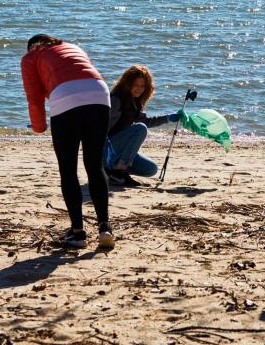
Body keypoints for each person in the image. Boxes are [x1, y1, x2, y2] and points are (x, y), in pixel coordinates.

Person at [21, 34, 115, 249]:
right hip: (99, 93)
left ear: (32, 47)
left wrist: (39, 127)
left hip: (65, 98)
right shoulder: (73, 47)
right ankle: (104, 228)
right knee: (94, 165)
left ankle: (78, 233)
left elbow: (34, 96)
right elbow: (80, 72)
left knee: (68, 169)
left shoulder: (31, 57)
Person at [107, 64, 180, 187]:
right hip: (106, 148)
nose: (139, 89)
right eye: (136, 85)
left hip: (119, 151)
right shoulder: (116, 99)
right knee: (140, 129)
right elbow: (101, 127)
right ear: (128, 83)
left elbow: (146, 121)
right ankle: (119, 172)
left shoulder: (136, 101)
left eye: (142, 86)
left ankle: (112, 171)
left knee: (151, 169)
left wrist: (167, 118)